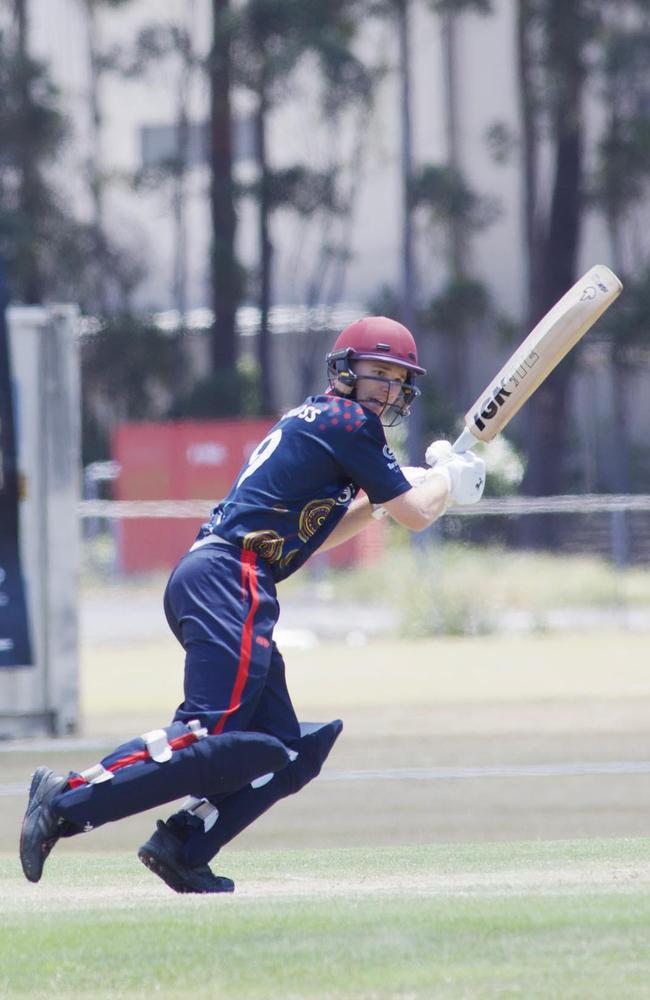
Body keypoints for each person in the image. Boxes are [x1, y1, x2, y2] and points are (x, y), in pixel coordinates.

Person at [19, 315, 485, 894]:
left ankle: (184, 846)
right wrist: (446, 479)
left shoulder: (325, 421)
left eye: (396, 378)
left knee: (285, 749)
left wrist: (400, 494)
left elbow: (328, 529)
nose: (386, 388)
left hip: (226, 575)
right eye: (376, 372)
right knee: (206, 730)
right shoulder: (348, 421)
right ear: (345, 371)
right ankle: (65, 799)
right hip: (229, 575)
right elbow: (419, 515)